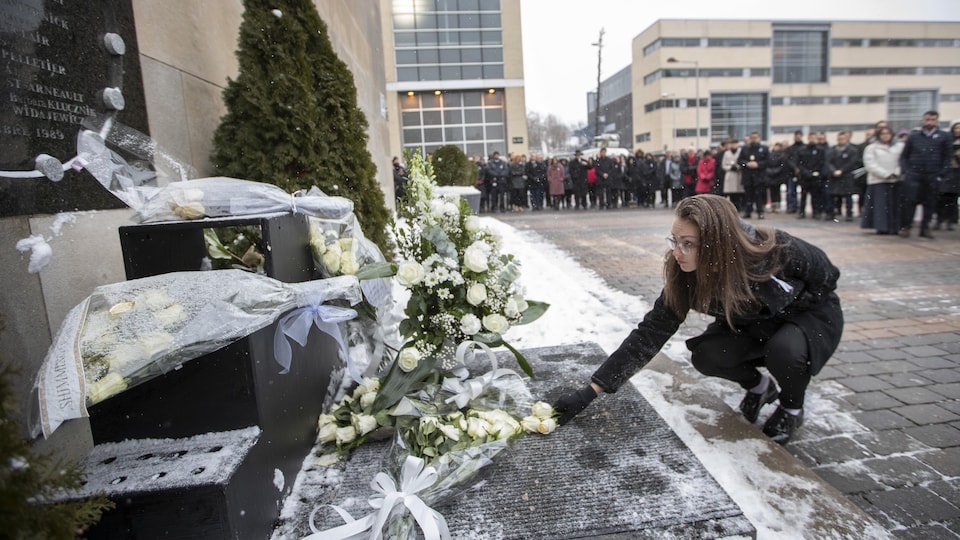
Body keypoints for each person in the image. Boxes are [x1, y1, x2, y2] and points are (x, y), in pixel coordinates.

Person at [552, 194, 843, 445]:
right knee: (707, 355)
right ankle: (759, 387)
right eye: (675, 241)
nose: (677, 252)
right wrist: (589, 392)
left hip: (807, 317)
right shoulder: (685, 275)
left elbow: (828, 276)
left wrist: (793, 300)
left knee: (785, 350)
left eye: (688, 243)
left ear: (718, 243)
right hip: (749, 324)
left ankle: (792, 408)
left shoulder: (775, 249)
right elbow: (650, 334)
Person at [899, 110, 952, 238]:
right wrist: (906, 170)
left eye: (933, 120)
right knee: (910, 201)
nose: (929, 122)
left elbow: (947, 157)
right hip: (914, 174)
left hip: (933, 174)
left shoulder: (944, 137)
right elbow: (904, 156)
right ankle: (906, 227)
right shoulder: (914, 136)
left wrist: (941, 174)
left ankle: (925, 228)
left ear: (937, 121)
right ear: (923, 120)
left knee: (929, 202)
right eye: (927, 119)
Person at [860, 126, 904, 235]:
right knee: (880, 207)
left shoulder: (899, 147)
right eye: (883, 133)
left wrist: (896, 172)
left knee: (894, 206)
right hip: (878, 181)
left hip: (895, 180)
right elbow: (870, 164)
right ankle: (881, 227)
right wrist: (885, 174)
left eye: (888, 133)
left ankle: (894, 227)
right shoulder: (871, 148)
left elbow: (902, 161)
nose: (885, 136)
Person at [825, 132, 862, 222]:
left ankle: (849, 213)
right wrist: (833, 171)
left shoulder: (852, 151)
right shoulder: (832, 150)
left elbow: (852, 163)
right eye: (839, 139)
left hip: (846, 176)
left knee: (848, 196)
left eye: (843, 139)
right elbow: (828, 162)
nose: (841, 141)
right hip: (834, 177)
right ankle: (831, 213)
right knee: (831, 196)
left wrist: (841, 170)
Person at [934, 121, 960, 231]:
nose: (958, 130)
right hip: (946, 171)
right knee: (941, 197)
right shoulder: (948, 140)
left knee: (953, 199)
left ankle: (951, 221)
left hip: (957, 172)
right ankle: (939, 220)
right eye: (956, 128)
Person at [738, 132, 770, 219]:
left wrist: (758, 164)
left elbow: (768, 162)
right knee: (748, 195)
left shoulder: (764, 149)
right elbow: (740, 161)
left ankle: (760, 212)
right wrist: (746, 164)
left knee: (759, 195)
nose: (754, 139)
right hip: (748, 176)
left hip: (759, 176)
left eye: (755, 137)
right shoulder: (745, 149)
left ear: (759, 138)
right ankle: (748, 211)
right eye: (752, 137)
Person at [796, 132, 826, 219]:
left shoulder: (820, 150)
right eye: (810, 137)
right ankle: (801, 212)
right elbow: (799, 163)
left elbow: (821, 162)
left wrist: (814, 172)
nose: (812, 139)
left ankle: (815, 212)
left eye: (813, 138)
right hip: (805, 177)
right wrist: (806, 172)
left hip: (815, 176)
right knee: (803, 195)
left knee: (815, 196)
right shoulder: (802, 150)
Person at [722, 139, 744, 211]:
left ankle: (739, 207)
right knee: (731, 193)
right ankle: (732, 208)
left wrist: (738, 167)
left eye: (735, 144)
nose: (733, 145)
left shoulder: (741, 152)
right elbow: (723, 165)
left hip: (738, 174)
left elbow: (743, 162)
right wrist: (730, 167)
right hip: (730, 174)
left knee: (738, 192)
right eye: (732, 144)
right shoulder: (727, 153)